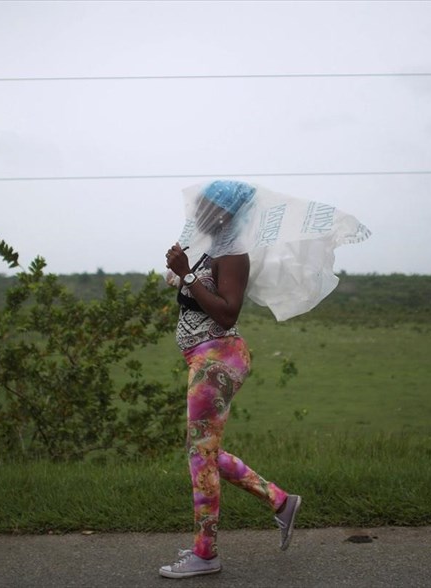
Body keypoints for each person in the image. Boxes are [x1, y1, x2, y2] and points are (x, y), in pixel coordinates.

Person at [159, 180, 302, 579]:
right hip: (202, 358)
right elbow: (189, 289)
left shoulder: (234, 254)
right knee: (200, 450)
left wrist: (186, 276)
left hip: (219, 357)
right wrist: (179, 270)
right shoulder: (208, 250)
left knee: (199, 455)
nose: (198, 212)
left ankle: (206, 554)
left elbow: (227, 313)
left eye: (206, 207)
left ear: (225, 213)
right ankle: (281, 501)